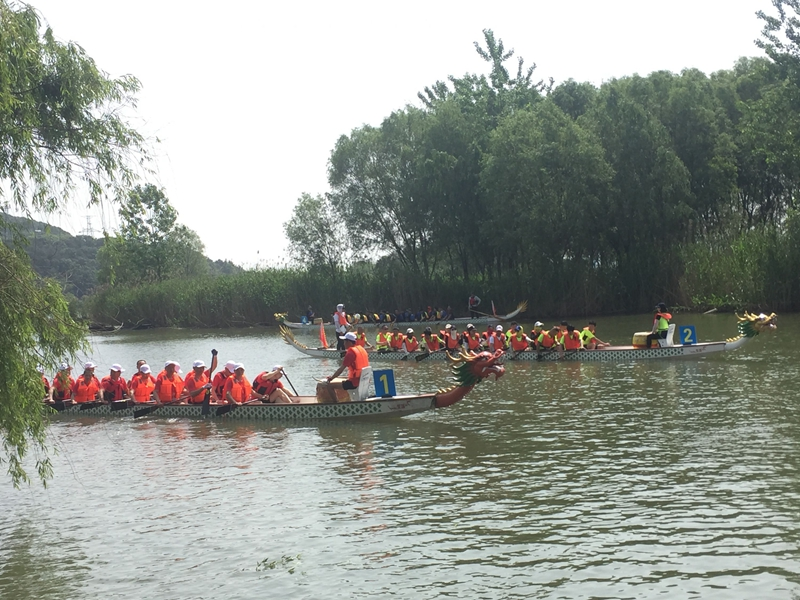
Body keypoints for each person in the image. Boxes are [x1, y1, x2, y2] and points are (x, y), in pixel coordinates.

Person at [320, 332, 370, 402]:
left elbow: (341, 369)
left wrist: (331, 379)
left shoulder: (351, 353)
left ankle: (336, 405)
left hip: (354, 383)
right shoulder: (362, 349)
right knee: (344, 380)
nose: (343, 343)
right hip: (364, 380)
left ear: (349, 342)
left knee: (329, 386)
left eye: (345, 341)